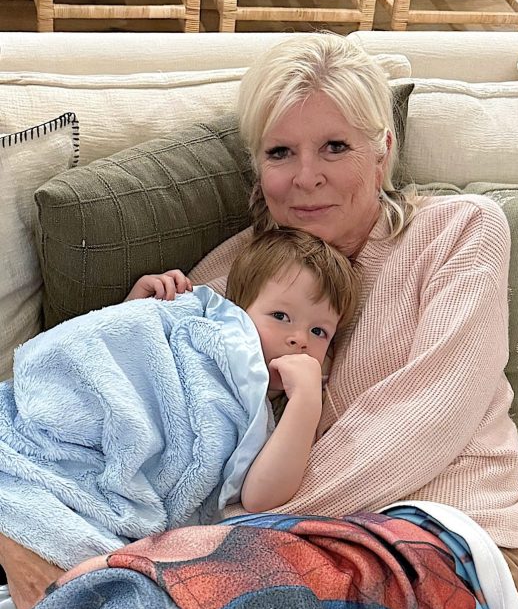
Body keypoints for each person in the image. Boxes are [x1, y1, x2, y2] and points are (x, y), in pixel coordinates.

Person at [0, 31, 518, 609]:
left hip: (429, 550)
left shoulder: (459, 232)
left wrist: (196, 547)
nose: (307, 177)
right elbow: (177, 416)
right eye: (280, 153)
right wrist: (148, 327)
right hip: (260, 571)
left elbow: (418, 424)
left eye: (335, 147)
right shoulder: (239, 266)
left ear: (384, 151)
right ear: (257, 169)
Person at [0, 228, 359, 577]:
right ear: (238, 310)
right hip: (56, 435)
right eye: (280, 317)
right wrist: (132, 311)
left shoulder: (268, 417)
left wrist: (305, 403)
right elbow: (120, 371)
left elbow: (260, 497)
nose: (298, 339)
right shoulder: (198, 327)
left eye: (319, 332)